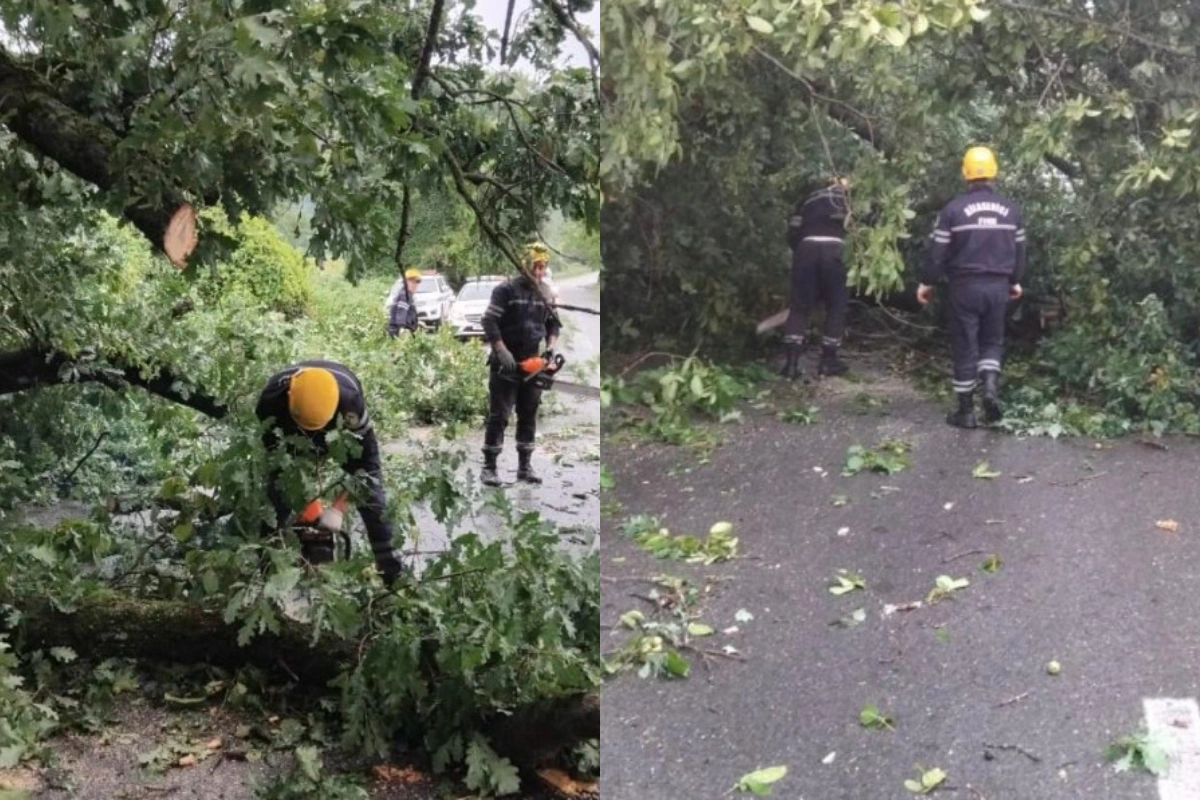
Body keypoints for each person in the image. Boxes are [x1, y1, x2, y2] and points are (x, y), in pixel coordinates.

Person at [255, 361, 404, 585]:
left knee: (373, 498)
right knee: (277, 497)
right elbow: (280, 463)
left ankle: (394, 577)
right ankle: (263, 572)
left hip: (338, 410)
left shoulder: (350, 404)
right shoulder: (269, 403)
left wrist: (337, 508)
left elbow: (366, 467)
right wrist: (305, 502)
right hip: (288, 431)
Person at [917, 146, 1026, 428]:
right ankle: (989, 389)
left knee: (966, 344)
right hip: (998, 287)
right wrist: (1014, 281)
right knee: (992, 341)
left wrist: (927, 282)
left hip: (964, 287)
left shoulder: (953, 209)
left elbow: (937, 252)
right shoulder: (1012, 211)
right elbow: (1020, 251)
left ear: (965, 174)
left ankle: (966, 412)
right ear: (994, 173)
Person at [479, 244, 561, 487]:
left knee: (528, 413)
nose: (538, 271)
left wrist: (550, 348)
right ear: (523, 265)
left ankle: (524, 466)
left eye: (542, 267)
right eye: (535, 266)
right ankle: (489, 467)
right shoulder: (505, 290)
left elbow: (553, 324)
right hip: (506, 362)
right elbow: (489, 320)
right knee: (500, 415)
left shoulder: (545, 293)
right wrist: (500, 349)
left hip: (532, 361)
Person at [782, 175, 852, 379]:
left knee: (800, 306)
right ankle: (828, 362)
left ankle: (791, 365)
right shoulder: (849, 201)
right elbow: (860, 232)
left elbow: (793, 231)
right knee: (836, 305)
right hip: (836, 250)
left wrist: (802, 252)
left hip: (806, 249)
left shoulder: (807, 199)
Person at [385, 268, 421, 336]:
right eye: (414, 282)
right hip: (399, 332)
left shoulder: (407, 295)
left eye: (417, 282)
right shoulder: (404, 295)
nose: (416, 285)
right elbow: (401, 311)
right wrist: (402, 328)